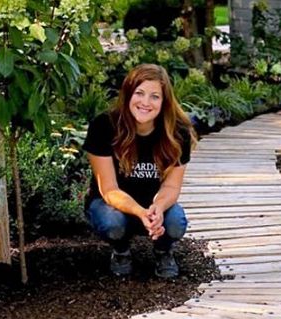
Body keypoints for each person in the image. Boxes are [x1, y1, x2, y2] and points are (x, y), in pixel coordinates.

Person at [82, 64, 196, 278]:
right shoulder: (104, 126)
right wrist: (140, 212)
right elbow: (109, 189)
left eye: (155, 96)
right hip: (111, 205)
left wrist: (158, 208)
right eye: (139, 93)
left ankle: (163, 251)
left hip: (152, 204)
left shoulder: (177, 132)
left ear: (164, 102)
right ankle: (121, 251)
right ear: (127, 95)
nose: (145, 102)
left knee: (175, 221)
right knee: (112, 223)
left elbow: (171, 186)